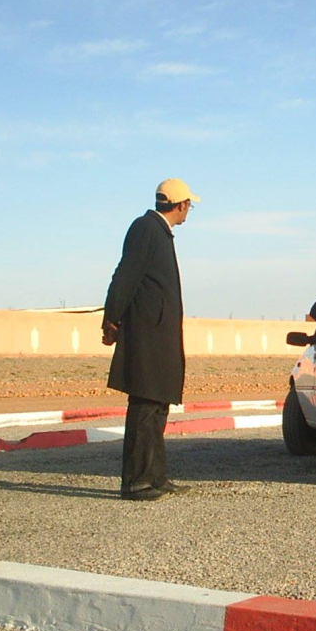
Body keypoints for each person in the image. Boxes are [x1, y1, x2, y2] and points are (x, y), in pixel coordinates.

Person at [102, 178, 198, 501]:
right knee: (145, 405)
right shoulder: (145, 228)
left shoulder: (160, 233)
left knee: (157, 406)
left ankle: (156, 476)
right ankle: (136, 481)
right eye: (189, 205)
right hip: (147, 337)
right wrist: (111, 319)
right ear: (181, 204)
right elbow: (125, 274)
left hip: (159, 337)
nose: (189, 211)